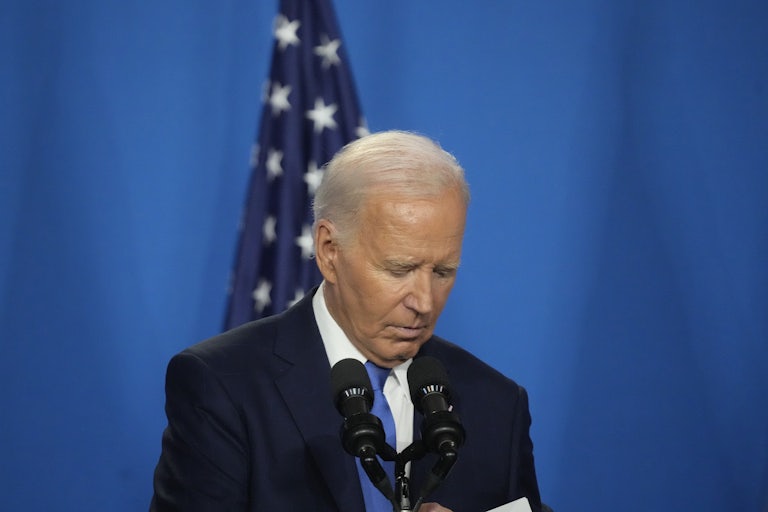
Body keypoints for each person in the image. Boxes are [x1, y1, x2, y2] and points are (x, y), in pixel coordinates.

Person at [150, 130, 543, 512]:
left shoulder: (497, 406)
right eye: (398, 269)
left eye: (443, 271)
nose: (424, 302)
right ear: (329, 251)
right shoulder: (224, 387)